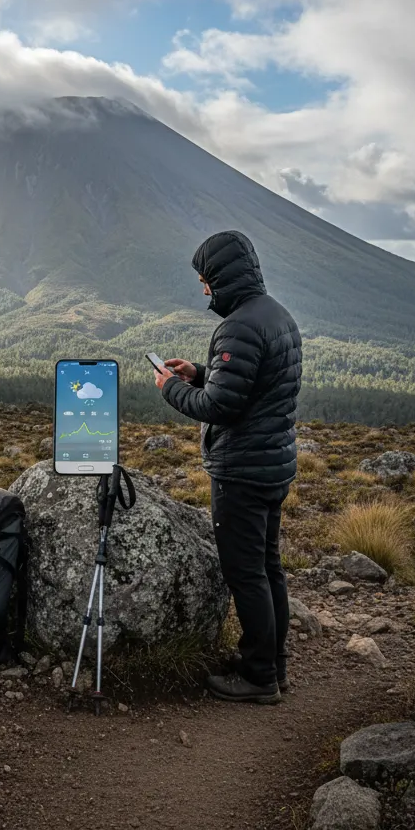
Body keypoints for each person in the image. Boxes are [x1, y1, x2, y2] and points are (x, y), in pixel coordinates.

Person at [154, 230, 302, 705]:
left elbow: (221, 406)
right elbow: (249, 384)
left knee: (246, 574)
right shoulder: (276, 315)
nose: (203, 291)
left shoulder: (238, 326)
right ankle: (272, 664)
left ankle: (258, 677)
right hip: (273, 465)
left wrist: (169, 388)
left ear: (221, 277)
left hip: (241, 471)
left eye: (205, 280)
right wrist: (200, 370)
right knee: (268, 566)